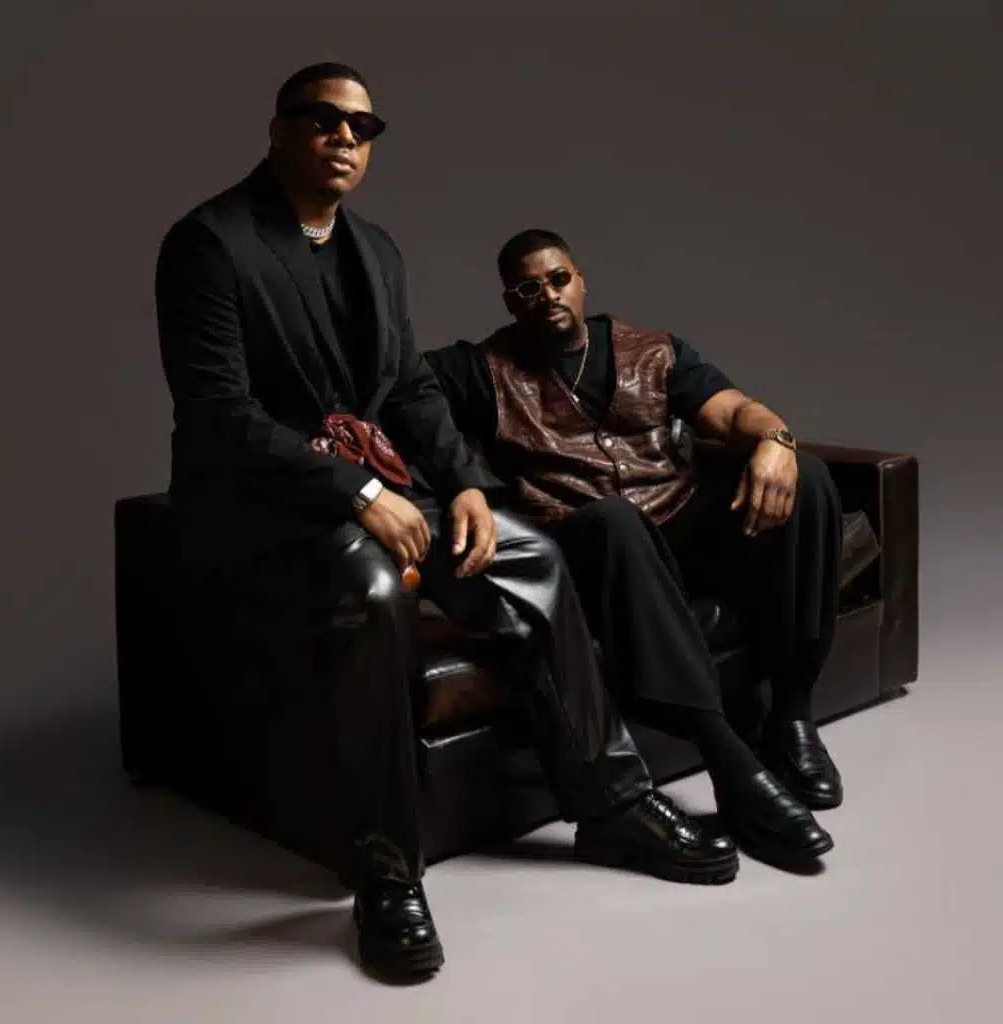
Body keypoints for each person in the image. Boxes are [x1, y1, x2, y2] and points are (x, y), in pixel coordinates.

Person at [155, 65, 741, 983]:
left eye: (363, 127)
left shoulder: (376, 249)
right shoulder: (209, 244)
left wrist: (464, 484)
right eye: (323, 119)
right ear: (277, 130)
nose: (345, 137)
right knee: (369, 589)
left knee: (533, 555)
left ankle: (612, 805)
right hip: (265, 503)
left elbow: (408, 389)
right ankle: (386, 870)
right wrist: (358, 494)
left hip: (380, 486)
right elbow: (218, 415)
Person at [425, 228, 845, 869]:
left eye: (558, 279)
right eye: (529, 289)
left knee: (809, 478)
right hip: (590, 546)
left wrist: (776, 440)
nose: (548, 296)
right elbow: (399, 390)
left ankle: (792, 718)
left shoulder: (652, 351)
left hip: (675, 523)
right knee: (614, 521)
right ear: (511, 302)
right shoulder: (481, 370)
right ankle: (731, 766)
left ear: (580, 280)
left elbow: (732, 412)